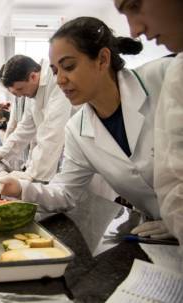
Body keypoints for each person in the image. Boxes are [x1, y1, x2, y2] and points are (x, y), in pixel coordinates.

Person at [0, 17, 172, 238]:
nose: (61, 80)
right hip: (159, 231)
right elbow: (64, 192)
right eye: (55, 71)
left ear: (102, 59)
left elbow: (49, 137)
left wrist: (177, 218)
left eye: (69, 67)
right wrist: (20, 187)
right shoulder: (77, 129)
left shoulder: (165, 77)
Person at [114, 0, 183, 247]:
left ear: (101, 60)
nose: (134, 31)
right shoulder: (179, 72)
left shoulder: (164, 72)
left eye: (134, 5)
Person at [0, 55, 72, 182]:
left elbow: (52, 133)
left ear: (33, 77)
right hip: (56, 156)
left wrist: (30, 176)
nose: (19, 95)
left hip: (77, 153)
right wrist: (1, 153)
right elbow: (24, 128)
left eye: (20, 89)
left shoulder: (56, 81)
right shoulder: (31, 90)